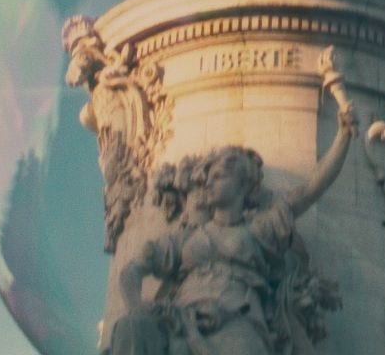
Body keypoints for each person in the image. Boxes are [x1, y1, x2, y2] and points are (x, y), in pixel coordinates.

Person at [108, 95, 357, 354]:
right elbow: (132, 270)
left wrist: (343, 136)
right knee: (130, 327)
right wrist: (136, 307)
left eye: (219, 176)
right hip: (183, 320)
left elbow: (309, 190)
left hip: (237, 318)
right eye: (210, 177)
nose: (209, 183)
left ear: (243, 184)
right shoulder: (187, 237)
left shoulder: (258, 231)